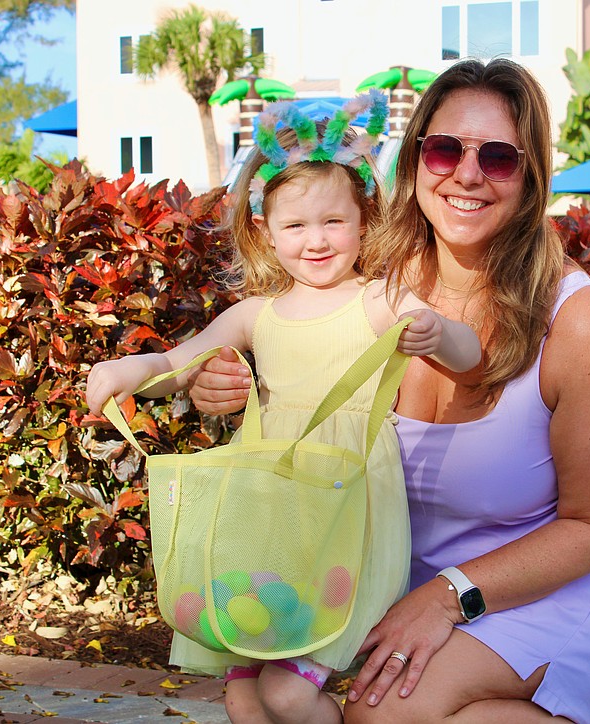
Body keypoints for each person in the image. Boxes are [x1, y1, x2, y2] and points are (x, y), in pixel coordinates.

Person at [188, 58, 590, 723]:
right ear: (415, 162)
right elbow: (302, 396)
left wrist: (448, 596)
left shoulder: (578, 321)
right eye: (445, 150)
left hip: (561, 583)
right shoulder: (372, 286)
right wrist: (231, 387)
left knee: (384, 714)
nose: (467, 174)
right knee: (259, 694)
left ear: (531, 179)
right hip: (401, 577)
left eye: (498, 158)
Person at [86, 93, 481, 724]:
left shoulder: (377, 300)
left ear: (363, 222)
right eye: (295, 226)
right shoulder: (256, 315)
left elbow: (468, 352)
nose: (317, 240)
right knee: (244, 692)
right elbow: (174, 364)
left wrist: (437, 334)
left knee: (290, 691)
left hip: (347, 519)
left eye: (334, 222)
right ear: (265, 231)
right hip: (268, 522)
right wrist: (125, 371)